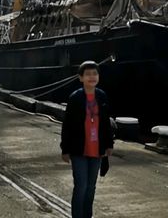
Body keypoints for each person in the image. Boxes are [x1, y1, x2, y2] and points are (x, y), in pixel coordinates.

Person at [61, 60, 113, 218]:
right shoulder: (75, 98)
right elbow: (67, 125)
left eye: (95, 73)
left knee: (91, 187)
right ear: (80, 77)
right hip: (79, 149)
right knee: (81, 186)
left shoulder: (101, 96)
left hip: (97, 148)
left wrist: (109, 144)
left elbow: (106, 122)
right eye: (88, 74)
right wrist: (65, 149)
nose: (92, 77)